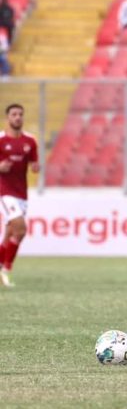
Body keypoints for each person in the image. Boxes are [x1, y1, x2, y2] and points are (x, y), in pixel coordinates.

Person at [0, 104, 39, 287]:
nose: (17, 117)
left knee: (10, 234)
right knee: (21, 229)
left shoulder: (30, 141)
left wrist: (35, 167)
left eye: (20, 114)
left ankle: (2, 267)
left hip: (21, 193)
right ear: (7, 118)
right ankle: (6, 269)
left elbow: (34, 162)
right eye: (14, 114)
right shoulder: (0, 140)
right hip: (4, 192)